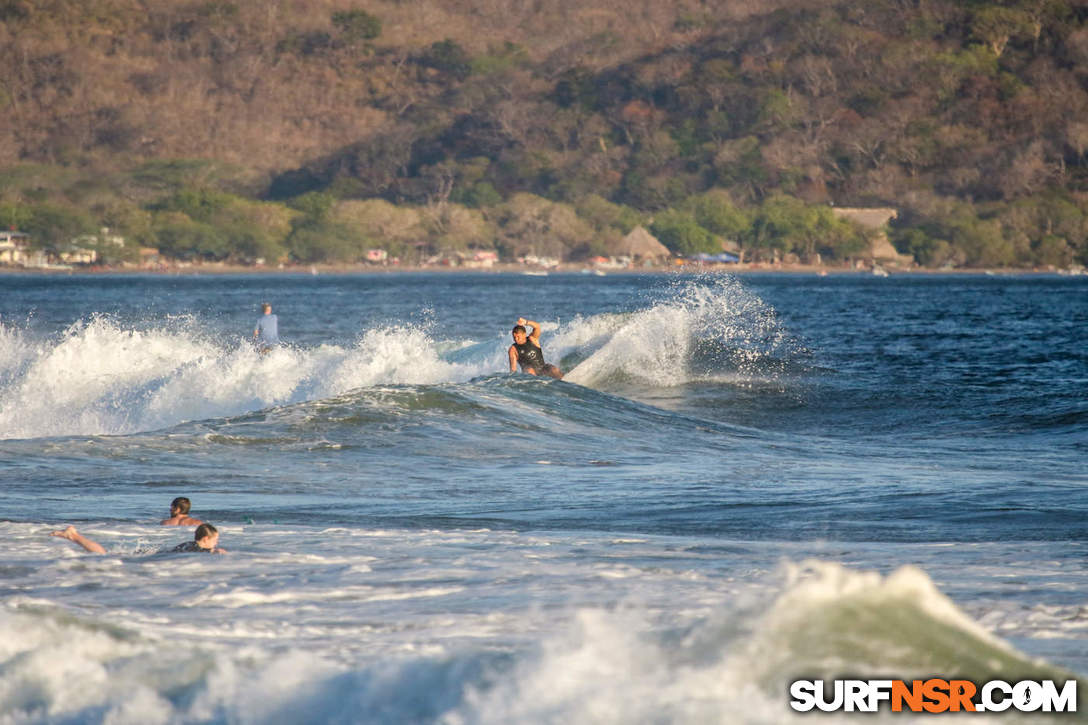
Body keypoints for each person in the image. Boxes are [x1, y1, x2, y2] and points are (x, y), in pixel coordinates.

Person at [50, 523, 226, 555]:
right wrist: (214, 552)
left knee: (106, 554)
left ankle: (73, 536)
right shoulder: (194, 548)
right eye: (215, 540)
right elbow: (198, 551)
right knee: (103, 555)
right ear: (205, 538)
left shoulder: (190, 545)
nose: (216, 543)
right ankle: (73, 535)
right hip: (151, 558)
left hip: (152, 554)